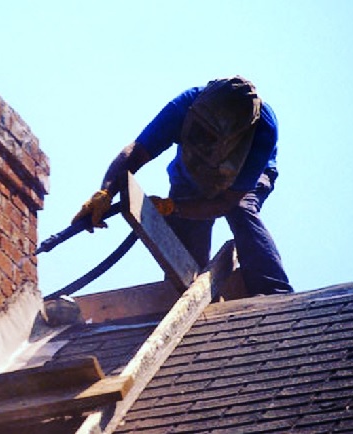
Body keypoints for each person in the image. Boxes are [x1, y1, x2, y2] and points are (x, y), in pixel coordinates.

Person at [73, 76, 293, 295]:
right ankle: (185, 295)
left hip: (243, 180)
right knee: (186, 260)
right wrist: (105, 192)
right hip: (190, 175)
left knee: (241, 210)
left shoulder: (263, 129)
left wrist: (174, 207)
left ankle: (273, 292)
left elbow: (227, 202)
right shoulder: (185, 104)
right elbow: (136, 151)